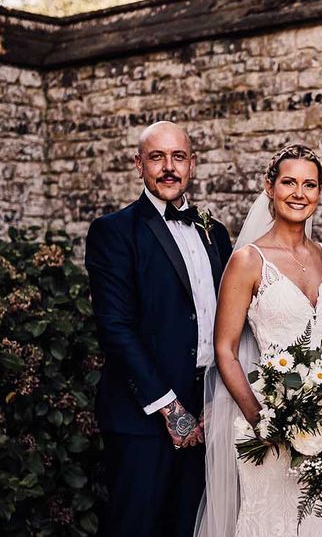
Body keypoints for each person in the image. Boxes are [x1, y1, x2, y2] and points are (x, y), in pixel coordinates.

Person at [85, 121, 232, 537]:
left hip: (210, 412)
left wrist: (214, 401)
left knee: (191, 526)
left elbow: (228, 319)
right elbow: (116, 329)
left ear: (192, 165)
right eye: (157, 157)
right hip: (143, 418)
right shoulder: (113, 232)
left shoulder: (215, 233)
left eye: (178, 157)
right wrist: (172, 411)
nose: (169, 168)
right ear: (139, 165)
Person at [202, 144, 322, 537]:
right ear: (269, 186)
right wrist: (262, 419)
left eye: (310, 184)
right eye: (289, 182)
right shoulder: (249, 260)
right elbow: (225, 350)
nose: (299, 193)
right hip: (268, 426)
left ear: (319, 192)